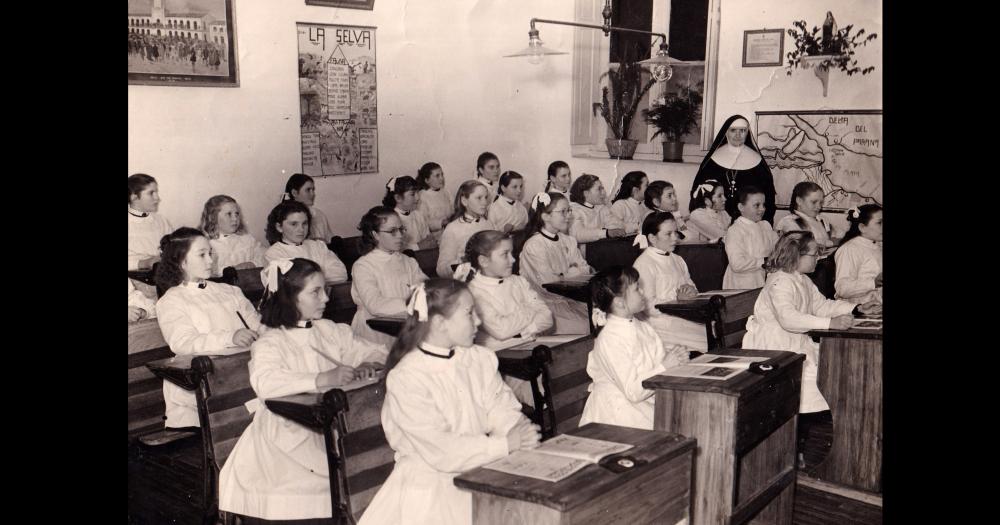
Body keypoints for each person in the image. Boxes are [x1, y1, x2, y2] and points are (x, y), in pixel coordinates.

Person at [358, 280, 541, 525]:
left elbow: (501, 408)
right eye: (469, 313)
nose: (478, 321)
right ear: (440, 323)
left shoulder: (479, 358)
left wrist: (519, 431)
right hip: (429, 487)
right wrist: (504, 445)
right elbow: (441, 449)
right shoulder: (407, 376)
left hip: (478, 466)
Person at [219, 258, 387, 523]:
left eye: (325, 290)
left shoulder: (328, 330)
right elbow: (266, 381)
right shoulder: (272, 340)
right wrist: (322, 378)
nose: (326, 299)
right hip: (288, 431)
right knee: (326, 480)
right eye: (315, 292)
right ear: (290, 298)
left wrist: (369, 362)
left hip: (332, 422)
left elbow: (376, 349)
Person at [154, 227, 262, 429]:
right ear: (181, 261)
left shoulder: (230, 291)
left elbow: (257, 326)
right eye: (202, 255)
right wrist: (230, 337)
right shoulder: (172, 300)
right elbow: (183, 343)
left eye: (210, 253)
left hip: (241, 371)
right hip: (201, 379)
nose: (210, 261)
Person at [579, 266, 671, 430]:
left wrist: (672, 363)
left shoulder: (642, 327)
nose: (643, 292)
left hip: (644, 404)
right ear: (619, 302)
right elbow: (633, 391)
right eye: (637, 289)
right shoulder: (610, 339)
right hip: (617, 416)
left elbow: (660, 361)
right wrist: (667, 366)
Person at [351, 207, 428, 346]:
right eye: (392, 231)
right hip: (373, 332)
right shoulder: (363, 266)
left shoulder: (408, 261)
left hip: (404, 326)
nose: (399, 235)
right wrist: (414, 304)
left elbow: (425, 289)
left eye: (401, 229)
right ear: (375, 235)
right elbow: (375, 304)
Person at [691, 115, 777, 224]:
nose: (738, 135)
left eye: (742, 130)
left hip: (749, 224)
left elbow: (768, 199)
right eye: (733, 130)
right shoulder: (712, 161)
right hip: (716, 222)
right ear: (726, 132)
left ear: (747, 133)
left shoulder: (758, 162)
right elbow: (699, 194)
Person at [723, 187, 779, 289]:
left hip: (762, 280)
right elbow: (737, 264)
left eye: (763, 205)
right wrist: (764, 261)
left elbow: (778, 247)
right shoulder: (735, 230)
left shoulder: (765, 225)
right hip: (741, 284)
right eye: (757, 205)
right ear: (741, 207)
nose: (762, 209)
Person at [200, 195, 267, 276]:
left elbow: (265, 256)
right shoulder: (207, 244)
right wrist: (231, 270)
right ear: (213, 217)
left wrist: (253, 264)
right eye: (229, 214)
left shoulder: (247, 239)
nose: (235, 218)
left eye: (237, 214)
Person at [834, 204, 883, 303]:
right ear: (862, 227)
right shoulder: (850, 249)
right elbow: (842, 288)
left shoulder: (877, 244)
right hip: (860, 308)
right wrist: (873, 283)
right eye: (879, 223)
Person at [128, 174, 173, 270]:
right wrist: (142, 263)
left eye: (156, 192)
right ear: (134, 197)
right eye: (151, 193)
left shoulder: (161, 221)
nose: (157, 198)